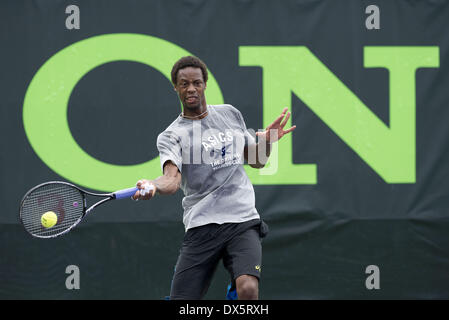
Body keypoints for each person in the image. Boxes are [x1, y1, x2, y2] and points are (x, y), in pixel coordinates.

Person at [132, 56, 296, 300]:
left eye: (196, 83)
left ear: (205, 84)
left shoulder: (230, 114)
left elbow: (256, 159)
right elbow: (171, 179)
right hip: (202, 224)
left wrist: (268, 140)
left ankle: (235, 291)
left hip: (242, 219)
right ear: (175, 87)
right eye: (184, 83)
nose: (191, 89)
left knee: (248, 289)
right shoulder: (171, 135)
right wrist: (153, 185)